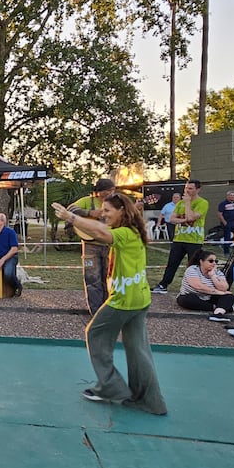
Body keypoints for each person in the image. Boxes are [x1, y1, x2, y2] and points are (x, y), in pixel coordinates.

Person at [52, 193, 167, 415]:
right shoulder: (131, 232)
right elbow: (98, 232)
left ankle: (111, 386)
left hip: (125, 300)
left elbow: (98, 231)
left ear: (122, 211)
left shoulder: (125, 233)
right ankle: (150, 401)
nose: (103, 214)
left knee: (94, 333)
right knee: (138, 351)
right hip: (139, 298)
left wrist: (70, 216)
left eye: (107, 210)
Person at [151, 179, 209, 294]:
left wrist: (187, 203)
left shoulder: (203, 203)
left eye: (190, 188)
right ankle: (164, 285)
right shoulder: (179, 203)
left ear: (198, 189)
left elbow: (192, 217)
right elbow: (172, 219)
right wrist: (184, 219)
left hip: (194, 240)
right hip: (179, 238)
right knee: (172, 262)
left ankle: (193, 287)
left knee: (193, 265)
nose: (187, 191)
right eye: (186, 188)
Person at [70, 178, 116, 315]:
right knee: (92, 278)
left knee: (108, 278)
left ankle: (108, 310)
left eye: (112, 190)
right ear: (100, 192)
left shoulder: (116, 203)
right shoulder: (87, 201)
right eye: (108, 191)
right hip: (90, 245)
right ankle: (96, 312)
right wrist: (89, 213)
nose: (111, 193)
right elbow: (70, 209)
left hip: (109, 245)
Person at [176, 249, 234, 322]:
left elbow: (224, 288)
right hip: (193, 295)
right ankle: (220, 307)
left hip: (209, 297)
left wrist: (213, 276)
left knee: (229, 296)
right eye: (211, 261)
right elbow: (198, 287)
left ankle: (218, 314)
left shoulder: (217, 272)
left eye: (215, 261)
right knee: (187, 300)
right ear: (201, 261)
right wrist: (219, 292)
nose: (214, 263)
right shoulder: (192, 269)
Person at [216, 190, 234, 255]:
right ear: (227, 196)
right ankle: (226, 251)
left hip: (233, 222)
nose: (233, 197)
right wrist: (224, 222)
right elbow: (219, 214)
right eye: (231, 195)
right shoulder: (223, 204)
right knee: (227, 236)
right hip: (227, 222)